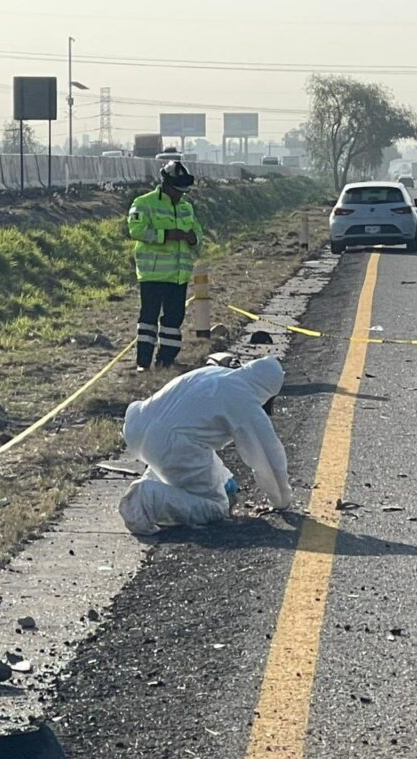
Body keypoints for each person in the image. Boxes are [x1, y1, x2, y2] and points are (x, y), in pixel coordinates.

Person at [118, 356, 293, 535]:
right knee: (216, 507)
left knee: (191, 458)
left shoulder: (215, 373)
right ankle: (145, 500)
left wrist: (222, 479)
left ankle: (155, 481)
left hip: (139, 426)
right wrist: (281, 500)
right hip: (173, 445)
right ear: (268, 392)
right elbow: (267, 457)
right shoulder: (245, 401)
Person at [127, 160, 205, 372]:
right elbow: (136, 230)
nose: (181, 195)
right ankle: (143, 362)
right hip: (153, 274)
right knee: (148, 319)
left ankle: (165, 362)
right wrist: (167, 235)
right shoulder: (144, 203)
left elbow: (199, 236)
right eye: (178, 191)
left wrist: (192, 240)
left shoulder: (186, 208)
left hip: (179, 276)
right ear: (166, 184)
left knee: (174, 319)